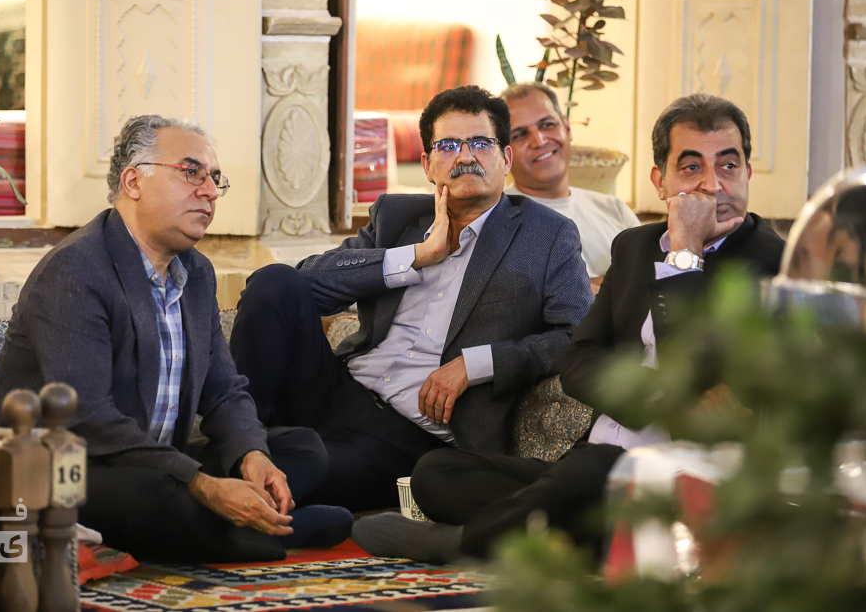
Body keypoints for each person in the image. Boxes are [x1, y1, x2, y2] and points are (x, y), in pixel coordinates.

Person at [351, 93, 786, 563]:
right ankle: (585, 534)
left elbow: (688, 370)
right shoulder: (636, 247)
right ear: (660, 181)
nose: (712, 185)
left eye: (728, 166)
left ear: (747, 173)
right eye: (692, 167)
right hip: (596, 456)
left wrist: (685, 253)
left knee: (592, 473)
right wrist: (653, 401)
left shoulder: (773, 266)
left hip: (681, 478)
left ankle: (464, 544)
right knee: (437, 472)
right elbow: (580, 361)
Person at [0, 115, 351, 563]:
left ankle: (225, 526)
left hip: (155, 462)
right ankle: (268, 536)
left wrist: (251, 455)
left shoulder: (196, 273)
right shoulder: (76, 269)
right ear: (133, 182)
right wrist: (201, 483)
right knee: (149, 493)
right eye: (191, 172)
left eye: (214, 178)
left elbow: (224, 391)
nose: (210, 191)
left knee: (302, 449)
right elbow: (88, 419)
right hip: (64, 467)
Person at [230, 85, 593, 512]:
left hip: (409, 434)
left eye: (481, 143)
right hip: (337, 388)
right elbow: (305, 286)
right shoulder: (398, 217)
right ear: (427, 165)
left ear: (505, 159)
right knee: (274, 281)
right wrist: (416, 256)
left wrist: (476, 364)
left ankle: (236, 466)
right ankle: (241, 440)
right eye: (448, 146)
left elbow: (576, 336)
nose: (465, 157)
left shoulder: (546, 235)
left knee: (296, 469)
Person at [502, 82, 639, 291]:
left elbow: (652, 279)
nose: (539, 141)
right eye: (520, 135)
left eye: (547, 125)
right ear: (505, 154)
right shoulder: (496, 219)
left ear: (567, 128)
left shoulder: (614, 209)